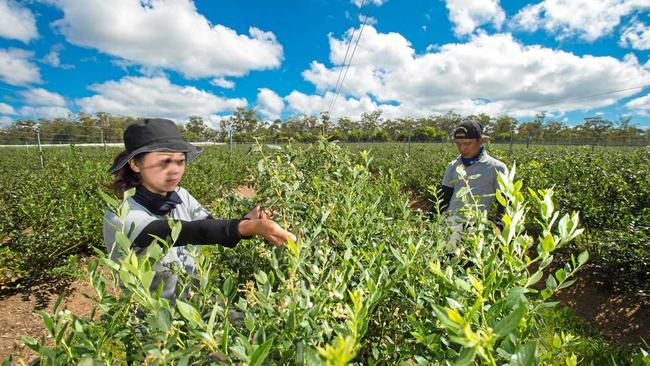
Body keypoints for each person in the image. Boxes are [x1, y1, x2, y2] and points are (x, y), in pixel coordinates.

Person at [103, 118, 295, 301]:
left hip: (194, 302)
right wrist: (248, 228)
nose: (175, 170)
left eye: (180, 161)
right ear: (135, 164)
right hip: (152, 317)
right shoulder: (121, 216)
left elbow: (209, 227)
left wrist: (247, 220)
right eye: (164, 161)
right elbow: (181, 232)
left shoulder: (180, 195)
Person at [430, 119, 507, 245]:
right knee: (447, 260)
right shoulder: (453, 166)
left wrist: (498, 226)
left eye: (467, 143)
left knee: (470, 263)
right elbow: (444, 196)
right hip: (451, 224)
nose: (462, 148)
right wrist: (430, 220)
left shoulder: (497, 168)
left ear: (481, 141)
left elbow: (504, 202)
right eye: (458, 144)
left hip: (476, 227)